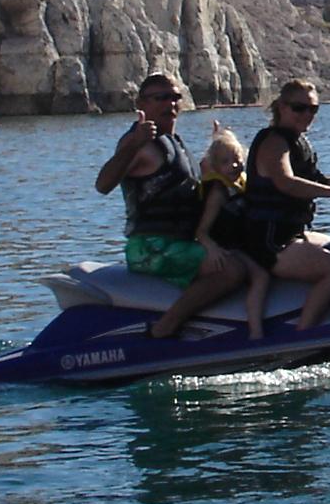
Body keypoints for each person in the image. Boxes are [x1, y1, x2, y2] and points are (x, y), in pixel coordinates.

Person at [93, 73, 253, 337]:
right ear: (142, 103)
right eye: (161, 98)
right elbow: (103, 184)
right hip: (151, 247)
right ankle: (166, 326)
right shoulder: (139, 143)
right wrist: (133, 143)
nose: (171, 104)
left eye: (176, 97)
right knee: (232, 269)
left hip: (180, 243)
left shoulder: (174, 142)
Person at [231, 79, 330, 334]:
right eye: (299, 108)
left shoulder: (298, 142)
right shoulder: (274, 142)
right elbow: (286, 183)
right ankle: (303, 335)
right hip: (268, 241)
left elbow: (321, 181)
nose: (307, 115)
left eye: (313, 109)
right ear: (282, 107)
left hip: (292, 233)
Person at [150, 123, 271, 341]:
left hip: (241, 244)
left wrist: (219, 135)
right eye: (226, 162)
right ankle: (256, 331)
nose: (234, 165)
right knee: (260, 276)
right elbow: (202, 230)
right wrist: (212, 249)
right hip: (229, 248)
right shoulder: (218, 192)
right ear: (215, 167)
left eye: (237, 159)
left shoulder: (237, 183)